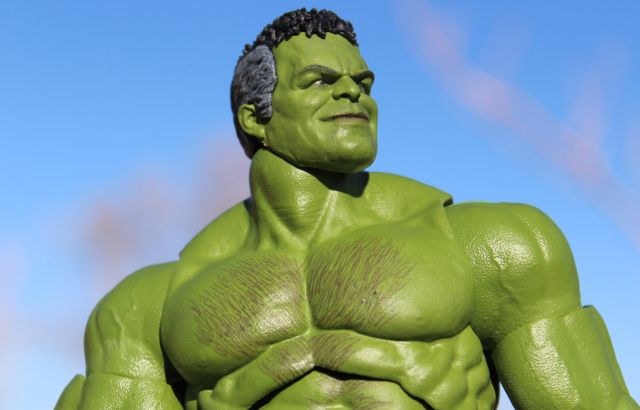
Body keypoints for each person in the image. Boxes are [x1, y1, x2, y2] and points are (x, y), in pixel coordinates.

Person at [56, 8, 638, 410]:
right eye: (319, 81)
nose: (353, 92)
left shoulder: (492, 243)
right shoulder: (150, 305)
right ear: (255, 117)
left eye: (363, 81)